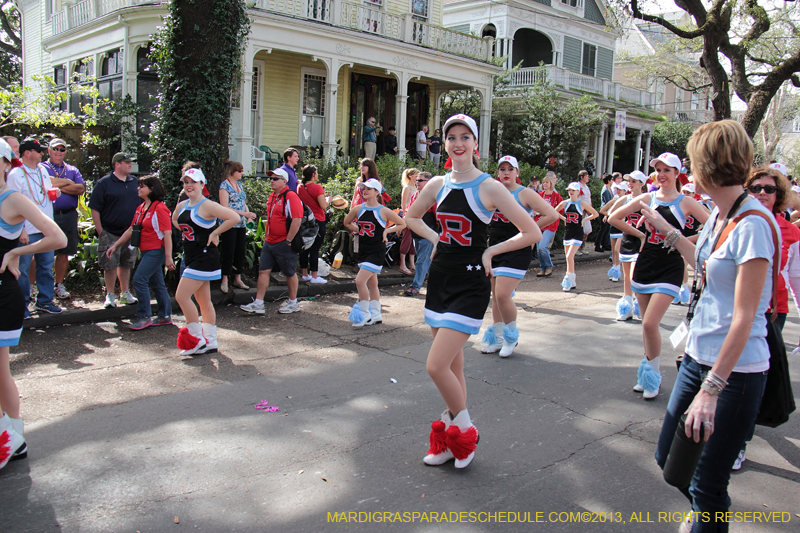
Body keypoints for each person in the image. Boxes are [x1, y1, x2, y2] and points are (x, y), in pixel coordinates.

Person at [641, 121, 774, 532]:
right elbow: (704, 265)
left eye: (691, 159)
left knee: (706, 484)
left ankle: (706, 520)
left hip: (732, 375)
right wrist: (669, 232)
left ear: (707, 164)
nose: (685, 168)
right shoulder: (722, 213)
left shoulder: (751, 224)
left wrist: (712, 390)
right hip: (698, 359)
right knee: (670, 462)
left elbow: (745, 316)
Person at [405, 114, 539, 469]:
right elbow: (411, 217)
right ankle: (451, 442)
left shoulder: (491, 186)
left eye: (465, 137)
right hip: (440, 279)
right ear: (444, 143)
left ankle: (465, 432)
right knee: (453, 365)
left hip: (470, 283)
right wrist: (435, 239)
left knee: (436, 366)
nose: (458, 143)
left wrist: (492, 251)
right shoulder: (436, 183)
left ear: (475, 144)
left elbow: (532, 232)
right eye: (451, 137)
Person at [608, 152, 709, 400]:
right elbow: (612, 217)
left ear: (677, 173)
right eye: (659, 170)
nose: (662, 175)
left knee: (651, 322)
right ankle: (647, 374)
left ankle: (653, 376)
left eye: (667, 170)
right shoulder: (647, 198)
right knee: (646, 325)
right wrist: (641, 235)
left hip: (670, 267)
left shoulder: (686, 202)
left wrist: (683, 241)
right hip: (645, 264)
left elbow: (713, 226)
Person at [0, 137, 67, 471]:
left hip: (3, 293)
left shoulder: (11, 196)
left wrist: (16, 251)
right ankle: (13, 439)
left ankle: (11, 438)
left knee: (0, 371)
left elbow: (58, 238)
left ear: (5, 162)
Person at [730, 167, 799, 471]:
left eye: (769, 189)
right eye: (755, 188)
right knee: (732, 377)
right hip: (735, 309)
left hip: (772, 312)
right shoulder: (736, 223)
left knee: (751, 379)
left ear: (779, 196)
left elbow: (796, 277)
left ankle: (738, 442)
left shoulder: (791, 232)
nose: (761, 194)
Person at [480, 155, 558, 357]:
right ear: (498, 172)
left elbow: (552, 214)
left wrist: (529, 229)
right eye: (502, 169)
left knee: (503, 295)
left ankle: (510, 337)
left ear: (517, 173)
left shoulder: (524, 193)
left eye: (510, 169)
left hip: (517, 249)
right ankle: (497, 338)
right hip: (495, 247)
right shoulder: (492, 192)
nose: (506, 173)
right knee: (495, 296)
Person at [173, 168, 239, 356]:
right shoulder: (183, 205)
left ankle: (196, 340)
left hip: (204, 257)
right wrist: (188, 234)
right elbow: (175, 220)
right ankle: (210, 341)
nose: (188, 185)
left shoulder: (207, 205)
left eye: (193, 182)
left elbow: (233, 217)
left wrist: (215, 232)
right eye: (185, 182)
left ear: (202, 184)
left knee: (182, 296)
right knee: (203, 300)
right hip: (192, 255)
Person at [106, 175, 175, 330]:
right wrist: (115, 245)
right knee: (157, 283)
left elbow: (167, 234)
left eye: (142, 186)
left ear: (151, 189)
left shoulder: (160, 208)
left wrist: (168, 257)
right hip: (146, 250)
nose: (138, 188)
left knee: (139, 279)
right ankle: (165, 316)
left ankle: (144, 316)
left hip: (156, 250)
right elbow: (132, 229)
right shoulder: (141, 208)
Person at [6, 139, 63, 317]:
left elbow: (45, 192)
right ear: (27, 153)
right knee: (22, 269)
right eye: (37, 151)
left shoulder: (43, 170)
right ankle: (21, 304)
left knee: (45, 266)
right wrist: (20, 229)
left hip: (45, 227)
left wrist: (55, 193)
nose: (41, 153)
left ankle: (44, 301)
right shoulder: (16, 174)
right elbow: (12, 202)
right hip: (27, 229)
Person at [240, 168, 304, 315]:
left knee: (289, 273)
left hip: (284, 242)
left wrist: (289, 240)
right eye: (271, 178)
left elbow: (297, 220)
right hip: (270, 242)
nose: (272, 181)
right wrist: (266, 238)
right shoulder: (273, 196)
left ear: (284, 181)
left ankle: (293, 303)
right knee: (263, 271)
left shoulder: (291, 196)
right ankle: (258, 303)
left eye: (276, 178)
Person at [343, 178, 405, 327]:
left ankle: (364, 315)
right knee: (372, 283)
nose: (365, 190)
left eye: (369, 188)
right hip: (363, 250)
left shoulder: (383, 210)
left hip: (377, 251)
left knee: (359, 281)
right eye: (364, 188)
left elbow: (402, 223)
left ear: (377, 192)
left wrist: (386, 231)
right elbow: (346, 222)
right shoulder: (358, 208)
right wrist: (360, 230)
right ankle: (376, 314)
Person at [90, 152, 142, 309]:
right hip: (110, 231)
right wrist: (101, 232)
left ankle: (125, 293)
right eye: (126, 162)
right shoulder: (104, 183)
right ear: (117, 164)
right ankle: (110, 294)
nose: (129, 165)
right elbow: (95, 208)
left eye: (130, 162)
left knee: (127, 263)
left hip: (130, 233)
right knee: (110, 264)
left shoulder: (135, 182)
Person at [44, 138, 85, 301]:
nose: (59, 152)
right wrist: (68, 183)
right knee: (44, 253)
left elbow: (81, 188)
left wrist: (59, 185)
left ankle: (58, 285)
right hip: (48, 216)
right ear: (49, 150)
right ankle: (39, 288)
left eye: (62, 149)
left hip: (68, 215)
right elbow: (45, 182)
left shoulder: (72, 169)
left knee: (64, 252)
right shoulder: (42, 168)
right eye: (56, 149)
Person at [609, 170, 647, 321]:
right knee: (627, 277)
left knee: (634, 274)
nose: (630, 184)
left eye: (634, 181)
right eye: (629, 181)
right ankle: (626, 308)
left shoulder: (648, 199)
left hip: (643, 240)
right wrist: (624, 223)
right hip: (628, 239)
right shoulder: (624, 199)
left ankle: (640, 305)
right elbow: (611, 215)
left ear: (642, 184)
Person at [218, 160, 256, 293]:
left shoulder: (239, 184)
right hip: (229, 223)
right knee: (229, 251)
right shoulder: (224, 186)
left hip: (241, 223)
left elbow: (242, 201)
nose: (241, 173)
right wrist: (244, 213)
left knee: (240, 251)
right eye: (239, 171)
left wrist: (248, 214)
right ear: (231, 172)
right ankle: (224, 279)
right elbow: (225, 207)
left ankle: (238, 278)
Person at [555, 182, 599, 291]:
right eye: (569, 190)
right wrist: (563, 219)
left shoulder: (582, 203)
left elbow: (595, 214)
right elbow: (553, 211)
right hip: (568, 232)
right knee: (568, 258)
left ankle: (568, 280)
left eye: (573, 190)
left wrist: (584, 219)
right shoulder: (565, 203)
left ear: (578, 191)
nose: (570, 192)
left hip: (578, 233)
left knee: (570, 256)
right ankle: (572, 280)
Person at [404, 171, 435, 296]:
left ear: (428, 182)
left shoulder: (433, 197)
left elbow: (439, 216)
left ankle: (415, 286)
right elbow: (408, 211)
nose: (417, 182)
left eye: (420, 180)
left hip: (428, 234)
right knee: (427, 261)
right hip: (416, 234)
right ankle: (437, 286)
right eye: (417, 180)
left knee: (421, 261)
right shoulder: (415, 195)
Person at [297, 164, 329, 283]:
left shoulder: (299, 187)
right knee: (315, 249)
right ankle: (314, 276)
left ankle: (304, 273)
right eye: (316, 172)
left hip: (304, 220)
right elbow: (323, 205)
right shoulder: (317, 188)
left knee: (304, 247)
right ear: (313, 174)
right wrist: (329, 200)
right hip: (317, 220)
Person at [599, 180, 630, 282]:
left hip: (622, 228)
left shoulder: (628, 201)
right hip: (614, 227)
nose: (618, 191)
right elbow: (603, 210)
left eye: (620, 190)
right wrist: (610, 216)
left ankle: (618, 270)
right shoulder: (614, 200)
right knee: (613, 251)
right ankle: (614, 269)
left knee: (617, 250)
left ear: (625, 191)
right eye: (617, 189)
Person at [535, 172, 562, 277]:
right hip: (539, 223)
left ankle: (549, 265)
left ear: (551, 183)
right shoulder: (539, 195)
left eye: (547, 182)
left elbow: (561, 209)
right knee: (538, 249)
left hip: (550, 225)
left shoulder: (556, 196)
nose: (545, 184)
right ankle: (543, 268)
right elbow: (533, 207)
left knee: (542, 247)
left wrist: (551, 215)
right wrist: (538, 212)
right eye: (543, 182)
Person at [398, 168, 418, 275]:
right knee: (406, 238)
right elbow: (404, 204)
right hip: (408, 216)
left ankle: (411, 263)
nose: (417, 177)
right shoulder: (407, 187)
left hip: (415, 217)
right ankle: (402, 264)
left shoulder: (415, 187)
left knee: (412, 240)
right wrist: (405, 217)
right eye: (416, 175)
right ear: (410, 176)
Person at [577, 169, 593, 255]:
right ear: (581, 177)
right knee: (580, 229)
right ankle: (577, 248)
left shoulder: (586, 187)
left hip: (587, 211)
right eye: (586, 176)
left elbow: (588, 198)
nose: (588, 178)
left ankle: (582, 246)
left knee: (587, 230)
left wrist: (590, 208)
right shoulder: (578, 186)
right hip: (581, 210)